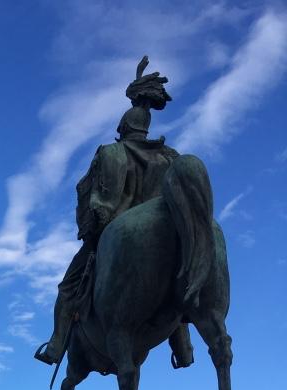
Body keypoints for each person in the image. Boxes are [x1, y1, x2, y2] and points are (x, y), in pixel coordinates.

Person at [34, 57, 193, 372]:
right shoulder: (170, 157)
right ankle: (184, 348)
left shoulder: (111, 152)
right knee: (174, 278)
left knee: (67, 287)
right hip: (167, 230)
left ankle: (55, 344)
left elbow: (98, 202)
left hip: (116, 232)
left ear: (123, 127)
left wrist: (91, 231)